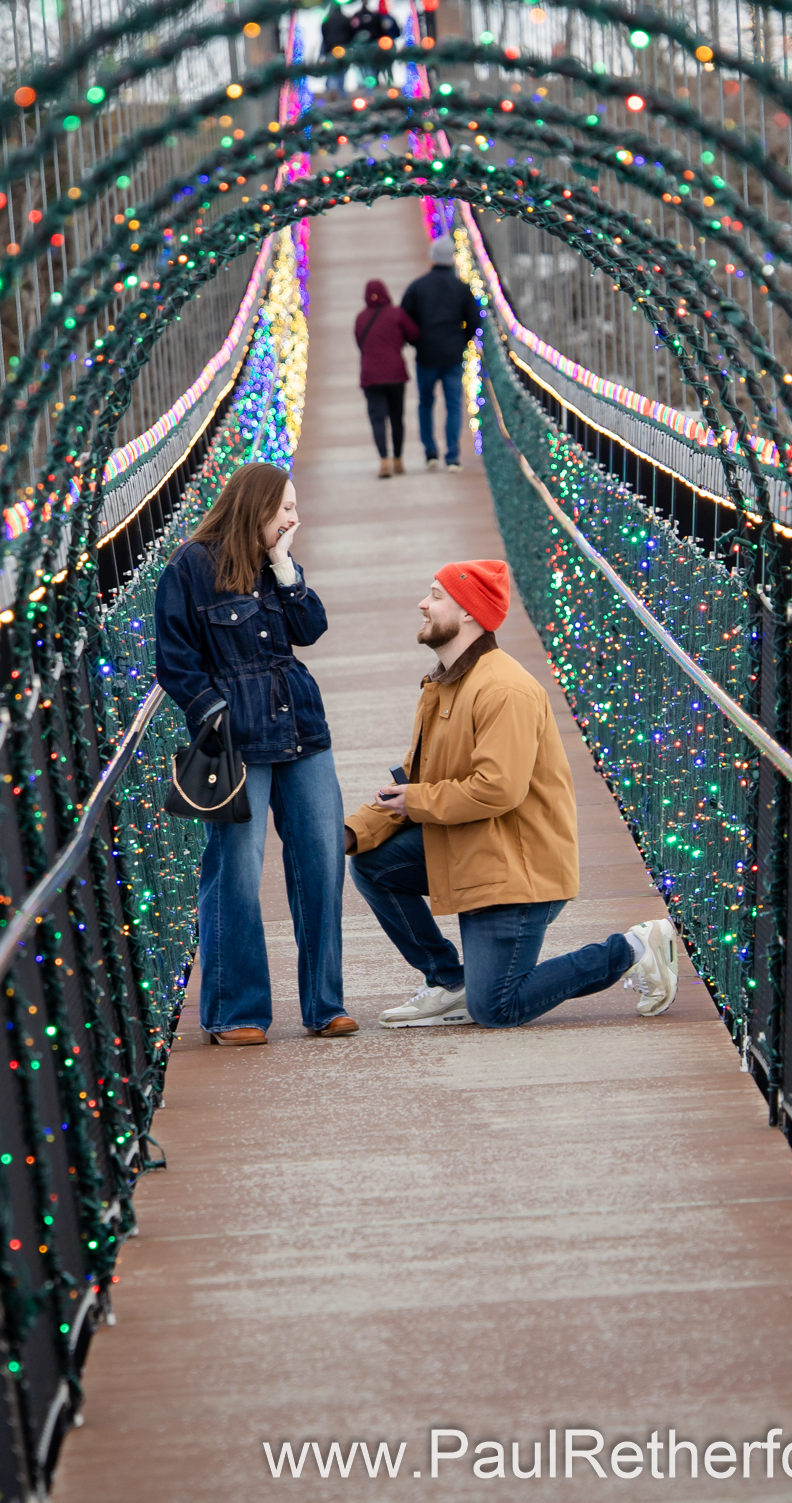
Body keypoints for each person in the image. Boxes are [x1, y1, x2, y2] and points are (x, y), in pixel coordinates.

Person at [346, 559, 679, 1029]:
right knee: (370, 861)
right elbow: (414, 779)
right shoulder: (442, 685)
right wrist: (352, 831)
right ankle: (448, 982)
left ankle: (633, 949)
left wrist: (417, 802)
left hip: (518, 869)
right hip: (478, 848)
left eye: (437, 595)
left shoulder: (504, 688)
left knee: (497, 1008)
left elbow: (496, 789)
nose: (423, 603)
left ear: (469, 614)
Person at [153, 463, 357, 1046]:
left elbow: (310, 627)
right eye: (286, 509)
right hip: (236, 738)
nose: (294, 519)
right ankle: (236, 1012)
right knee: (237, 872)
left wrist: (287, 569)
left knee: (322, 859)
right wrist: (213, 713)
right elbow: (175, 662)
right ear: (257, 506)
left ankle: (325, 1004)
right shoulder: (190, 567)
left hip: (301, 727)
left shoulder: (278, 567)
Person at [400, 235, 480, 471]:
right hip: (453, 355)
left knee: (426, 403)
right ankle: (453, 457)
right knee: (454, 404)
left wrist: (416, 341)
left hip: (426, 355)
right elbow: (475, 321)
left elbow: (404, 320)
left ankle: (430, 453)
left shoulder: (417, 286)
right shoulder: (462, 288)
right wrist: (463, 342)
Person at [355, 280, 418, 478]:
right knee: (397, 417)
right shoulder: (396, 313)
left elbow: (360, 342)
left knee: (377, 419)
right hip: (395, 374)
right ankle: (398, 460)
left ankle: (384, 459)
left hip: (371, 375)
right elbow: (414, 334)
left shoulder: (360, 318)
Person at [320, 0, 354, 94]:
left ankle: (331, 90)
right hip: (343, 49)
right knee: (341, 72)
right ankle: (340, 92)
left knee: (331, 71)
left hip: (330, 49)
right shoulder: (345, 19)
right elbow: (351, 34)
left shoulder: (327, 19)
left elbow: (323, 33)